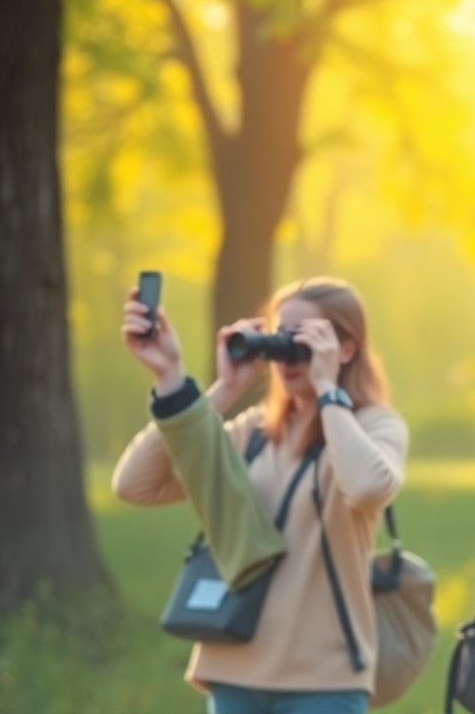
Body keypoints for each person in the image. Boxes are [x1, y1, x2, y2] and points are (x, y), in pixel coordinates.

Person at [113, 277, 408, 714]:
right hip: (233, 666)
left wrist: (329, 392)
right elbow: (135, 484)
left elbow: (367, 488)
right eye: (279, 334)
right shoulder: (252, 433)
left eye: (305, 337)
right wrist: (215, 387)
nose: (286, 351)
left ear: (346, 349)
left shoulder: (373, 426)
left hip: (323, 680)